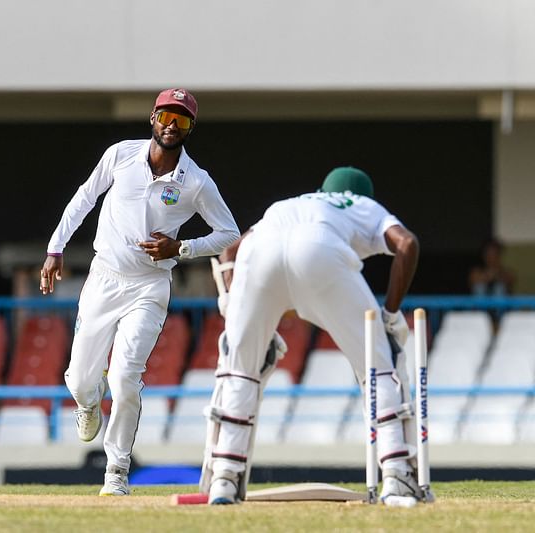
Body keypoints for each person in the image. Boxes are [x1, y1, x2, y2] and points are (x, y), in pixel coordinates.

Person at [40, 89, 240, 496]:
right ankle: (87, 402)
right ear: (153, 118)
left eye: (181, 120)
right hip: (104, 278)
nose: (171, 125)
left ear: (190, 129)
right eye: (166, 116)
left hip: (150, 286)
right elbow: (84, 198)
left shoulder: (196, 182)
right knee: (80, 380)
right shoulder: (120, 155)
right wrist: (55, 248)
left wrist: (181, 248)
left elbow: (229, 233)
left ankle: (116, 470)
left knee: (126, 375)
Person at [204, 167, 427, 505]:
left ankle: (224, 479)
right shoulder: (361, 205)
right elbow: (407, 244)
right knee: (381, 361)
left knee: (241, 368)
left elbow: (229, 252)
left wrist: (233, 303)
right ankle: (397, 476)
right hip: (320, 249)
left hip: (258, 253)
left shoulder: (290, 204)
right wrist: (391, 313)